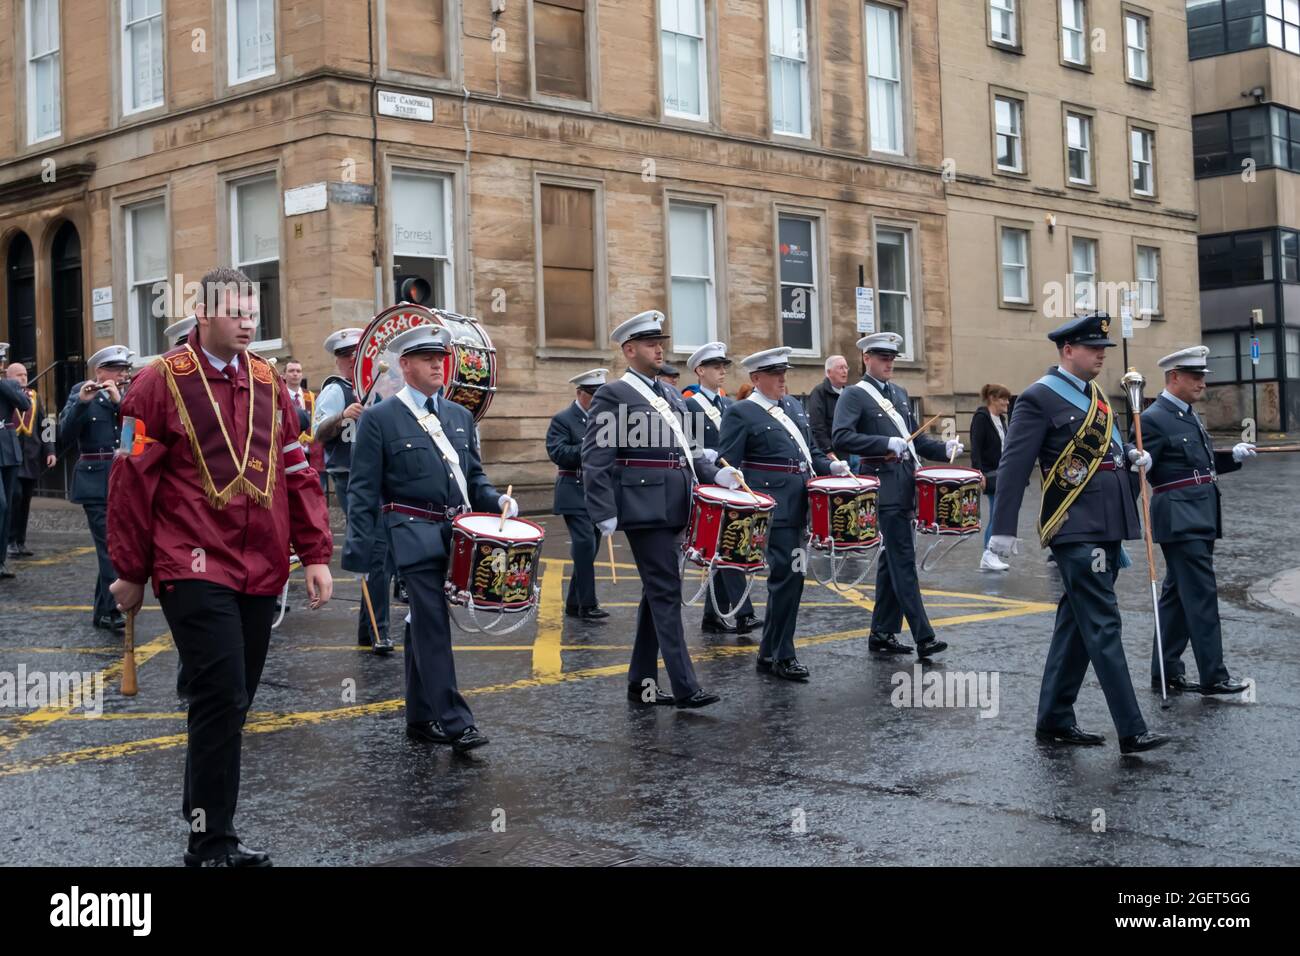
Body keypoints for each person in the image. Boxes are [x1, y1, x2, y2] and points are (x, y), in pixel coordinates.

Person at [108, 267, 335, 865]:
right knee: (222, 693)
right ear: (203, 315)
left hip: (261, 565)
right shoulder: (157, 383)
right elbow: (131, 477)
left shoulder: (269, 382)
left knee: (234, 700)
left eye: (254, 313)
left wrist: (313, 554)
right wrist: (130, 569)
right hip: (191, 562)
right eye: (236, 312)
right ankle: (210, 841)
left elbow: (295, 467)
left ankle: (207, 822)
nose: (249, 323)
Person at [987, 312, 1169, 755]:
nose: (1100, 357)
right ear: (1068, 350)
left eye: (1104, 350)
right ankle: (1131, 729)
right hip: (1074, 527)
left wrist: (1131, 455)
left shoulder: (1097, 397)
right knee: (1104, 622)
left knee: (1076, 624)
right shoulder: (1038, 398)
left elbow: (1110, 447)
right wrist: (1002, 529)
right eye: (1093, 350)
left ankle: (1054, 718)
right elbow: (1014, 466)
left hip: (1106, 522)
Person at [343, 324, 517, 753]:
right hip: (410, 534)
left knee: (423, 623)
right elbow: (362, 490)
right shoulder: (380, 418)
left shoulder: (459, 416)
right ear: (404, 366)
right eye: (426, 359)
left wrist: (497, 502)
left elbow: (474, 478)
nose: (439, 365)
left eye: (440, 357)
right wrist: (360, 552)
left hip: (456, 535)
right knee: (435, 624)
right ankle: (456, 721)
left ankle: (420, 717)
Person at [581, 310, 743, 708]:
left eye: (661, 343)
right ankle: (686, 686)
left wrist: (715, 475)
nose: (659, 349)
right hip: (643, 507)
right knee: (667, 592)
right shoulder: (613, 394)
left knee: (657, 593)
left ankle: (641, 682)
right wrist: (602, 510)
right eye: (651, 344)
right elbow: (595, 457)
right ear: (629, 349)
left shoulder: (670, 394)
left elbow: (689, 452)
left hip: (677, 504)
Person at [831, 332, 966, 659]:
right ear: (866, 358)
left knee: (892, 563)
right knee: (903, 561)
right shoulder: (853, 395)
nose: (889, 362)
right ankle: (924, 636)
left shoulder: (901, 394)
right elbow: (841, 437)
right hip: (883, 486)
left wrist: (943, 447)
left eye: (892, 357)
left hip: (906, 485)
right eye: (882, 357)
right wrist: (883, 444)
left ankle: (882, 632)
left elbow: (915, 442)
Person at [718, 347, 845, 681]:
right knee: (786, 580)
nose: (782, 380)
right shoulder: (742, 412)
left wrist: (831, 464)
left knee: (791, 580)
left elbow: (810, 452)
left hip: (801, 504)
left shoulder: (791, 406)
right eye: (775, 375)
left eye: (783, 373)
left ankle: (770, 651)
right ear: (756, 378)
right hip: (773, 510)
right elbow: (726, 463)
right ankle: (782, 654)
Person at [1138, 346, 1254, 697]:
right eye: (1195, 376)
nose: (1202, 382)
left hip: (1199, 514)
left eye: (1202, 376)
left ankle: (1166, 670)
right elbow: (1141, 463)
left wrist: (1230, 457)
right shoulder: (1153, 417)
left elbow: (1195, 466)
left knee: (1177, 597)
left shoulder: (1188, 414)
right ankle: (1214, 676)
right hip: (1180, 517)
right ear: (1174, 378)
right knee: (1201, 596)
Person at [312, 329, 394, 653]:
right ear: (339, 360)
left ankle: (369, 628)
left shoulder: (378, 389)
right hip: (349, 478)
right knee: (376, 550)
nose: (351, 361)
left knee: (382, 552)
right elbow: (318, 433)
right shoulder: (336, 390)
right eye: (346, 356)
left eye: (356, 354)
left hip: (378, 477)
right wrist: (341, 416)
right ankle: (379, 630)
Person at [682, 342, 760, 636]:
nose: (722, 371)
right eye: (716, 367)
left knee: (723, 548)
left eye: (723, 366)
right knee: (727, 547)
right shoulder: (690, 404)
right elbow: (685, 444)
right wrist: (705, 454)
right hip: (709, 487)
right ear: (700, 371)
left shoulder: (729, 405)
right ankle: (744, 613)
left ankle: (713, 616)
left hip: (733, 483)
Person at [60, 344, 133, 628]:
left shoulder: (124, 396)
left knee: (114, 547)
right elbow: (64, 434)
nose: (122, 375)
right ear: (100, 371)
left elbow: (132, 437)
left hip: (122, 479)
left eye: (124, 370)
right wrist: (81, 402)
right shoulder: (83, 391)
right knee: (109, 549)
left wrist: (120, 405)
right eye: (116, 370)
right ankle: (113, 609)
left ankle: (103, 611)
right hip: (94, 480)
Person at [546, 368, 610, 620]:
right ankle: (588, 603)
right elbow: (558, 453)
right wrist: (589, 444)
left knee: (590, 549)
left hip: (598, 494)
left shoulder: (606, 419)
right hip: (573, 491)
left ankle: (574, 602)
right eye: (593, 395)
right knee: (584, 544)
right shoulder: (563, 419)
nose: (597, 400)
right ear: (580, 393)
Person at [5, 361, 55, 559]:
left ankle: (20, 541)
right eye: (18, 375)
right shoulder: (5, 396)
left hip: (32, 458)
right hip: (11, 457)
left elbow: (45, 424)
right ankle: (9, 540)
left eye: (25, 374)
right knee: (13, 497)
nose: (23, 378)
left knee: (25, 500)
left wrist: (50, 450)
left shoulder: (35, 397)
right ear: (8, 377)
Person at [971, 383, 1011, 572]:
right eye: (1003, 398)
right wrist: (978, 473)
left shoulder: (1001, 419)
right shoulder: (981, 418)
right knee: (997, 513)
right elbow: (976, 448)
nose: (1007, 402)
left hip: (1004, 474)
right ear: (993, 399)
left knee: (1001, 513)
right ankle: (988, 554)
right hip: (990, 474)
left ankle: (993, 553)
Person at [0, 346, 33, 577]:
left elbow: (25, 405)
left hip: (8, 451)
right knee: (0, 505)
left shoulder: (8, 385)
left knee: (8, 506)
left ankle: (1, 561)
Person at [807, 354, 849, 461]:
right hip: (834, 453)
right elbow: (817, 425)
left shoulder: (850, 393)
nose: (845, 371)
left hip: (853, 451)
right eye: (840, 368)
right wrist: (828, 450)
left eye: (846, 367)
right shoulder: (819, 393)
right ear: (829, 372)